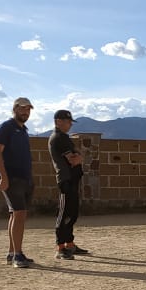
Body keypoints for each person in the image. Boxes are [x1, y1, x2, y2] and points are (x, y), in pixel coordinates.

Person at [0, 96, 35, 268]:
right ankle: (18, 255)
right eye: (22, 108)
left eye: (28, 109)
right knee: (20, 213)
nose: (25, 112)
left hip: (24, 177)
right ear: (15, 109)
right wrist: (3, 176)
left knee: (15, 214)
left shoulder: (23, 130)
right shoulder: (6, 127)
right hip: (11, 177)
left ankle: (12, 252)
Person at [48, 109, 88, 261]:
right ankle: (60, 247)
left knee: (72, 213)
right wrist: (80, 157)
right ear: (58, 121)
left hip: (72, 179)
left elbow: (78, 156)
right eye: (67, 121)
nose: (70, 124)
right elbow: (73, 159)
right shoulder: (59, 138)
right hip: (66, 179)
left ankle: (70, 244)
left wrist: (79, 156)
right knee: (64, 213)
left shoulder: (64, 137)